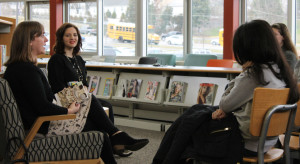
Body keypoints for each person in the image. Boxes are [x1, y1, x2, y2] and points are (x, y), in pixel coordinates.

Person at [152, 19, 299, 164]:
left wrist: (243, 73)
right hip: (268, 141)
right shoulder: (280, 70)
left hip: (243, 142)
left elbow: (225, 104)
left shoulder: (254, 74)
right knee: (196, 112)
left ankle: (165, 159)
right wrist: (226, 110)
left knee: (190, 124)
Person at [46, 23, 148, 160]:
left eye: (75, 35)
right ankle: (117, 135)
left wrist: (84, 91)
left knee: (108, 105)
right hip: (67, 102)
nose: (72, 38)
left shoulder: (79, 59)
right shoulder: (56, 59)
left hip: (83, 97)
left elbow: (85, 83)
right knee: (92, 99)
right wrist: (79, 94)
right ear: (61, 38)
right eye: (68, 35)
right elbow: (57, 87)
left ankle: (114, 145)